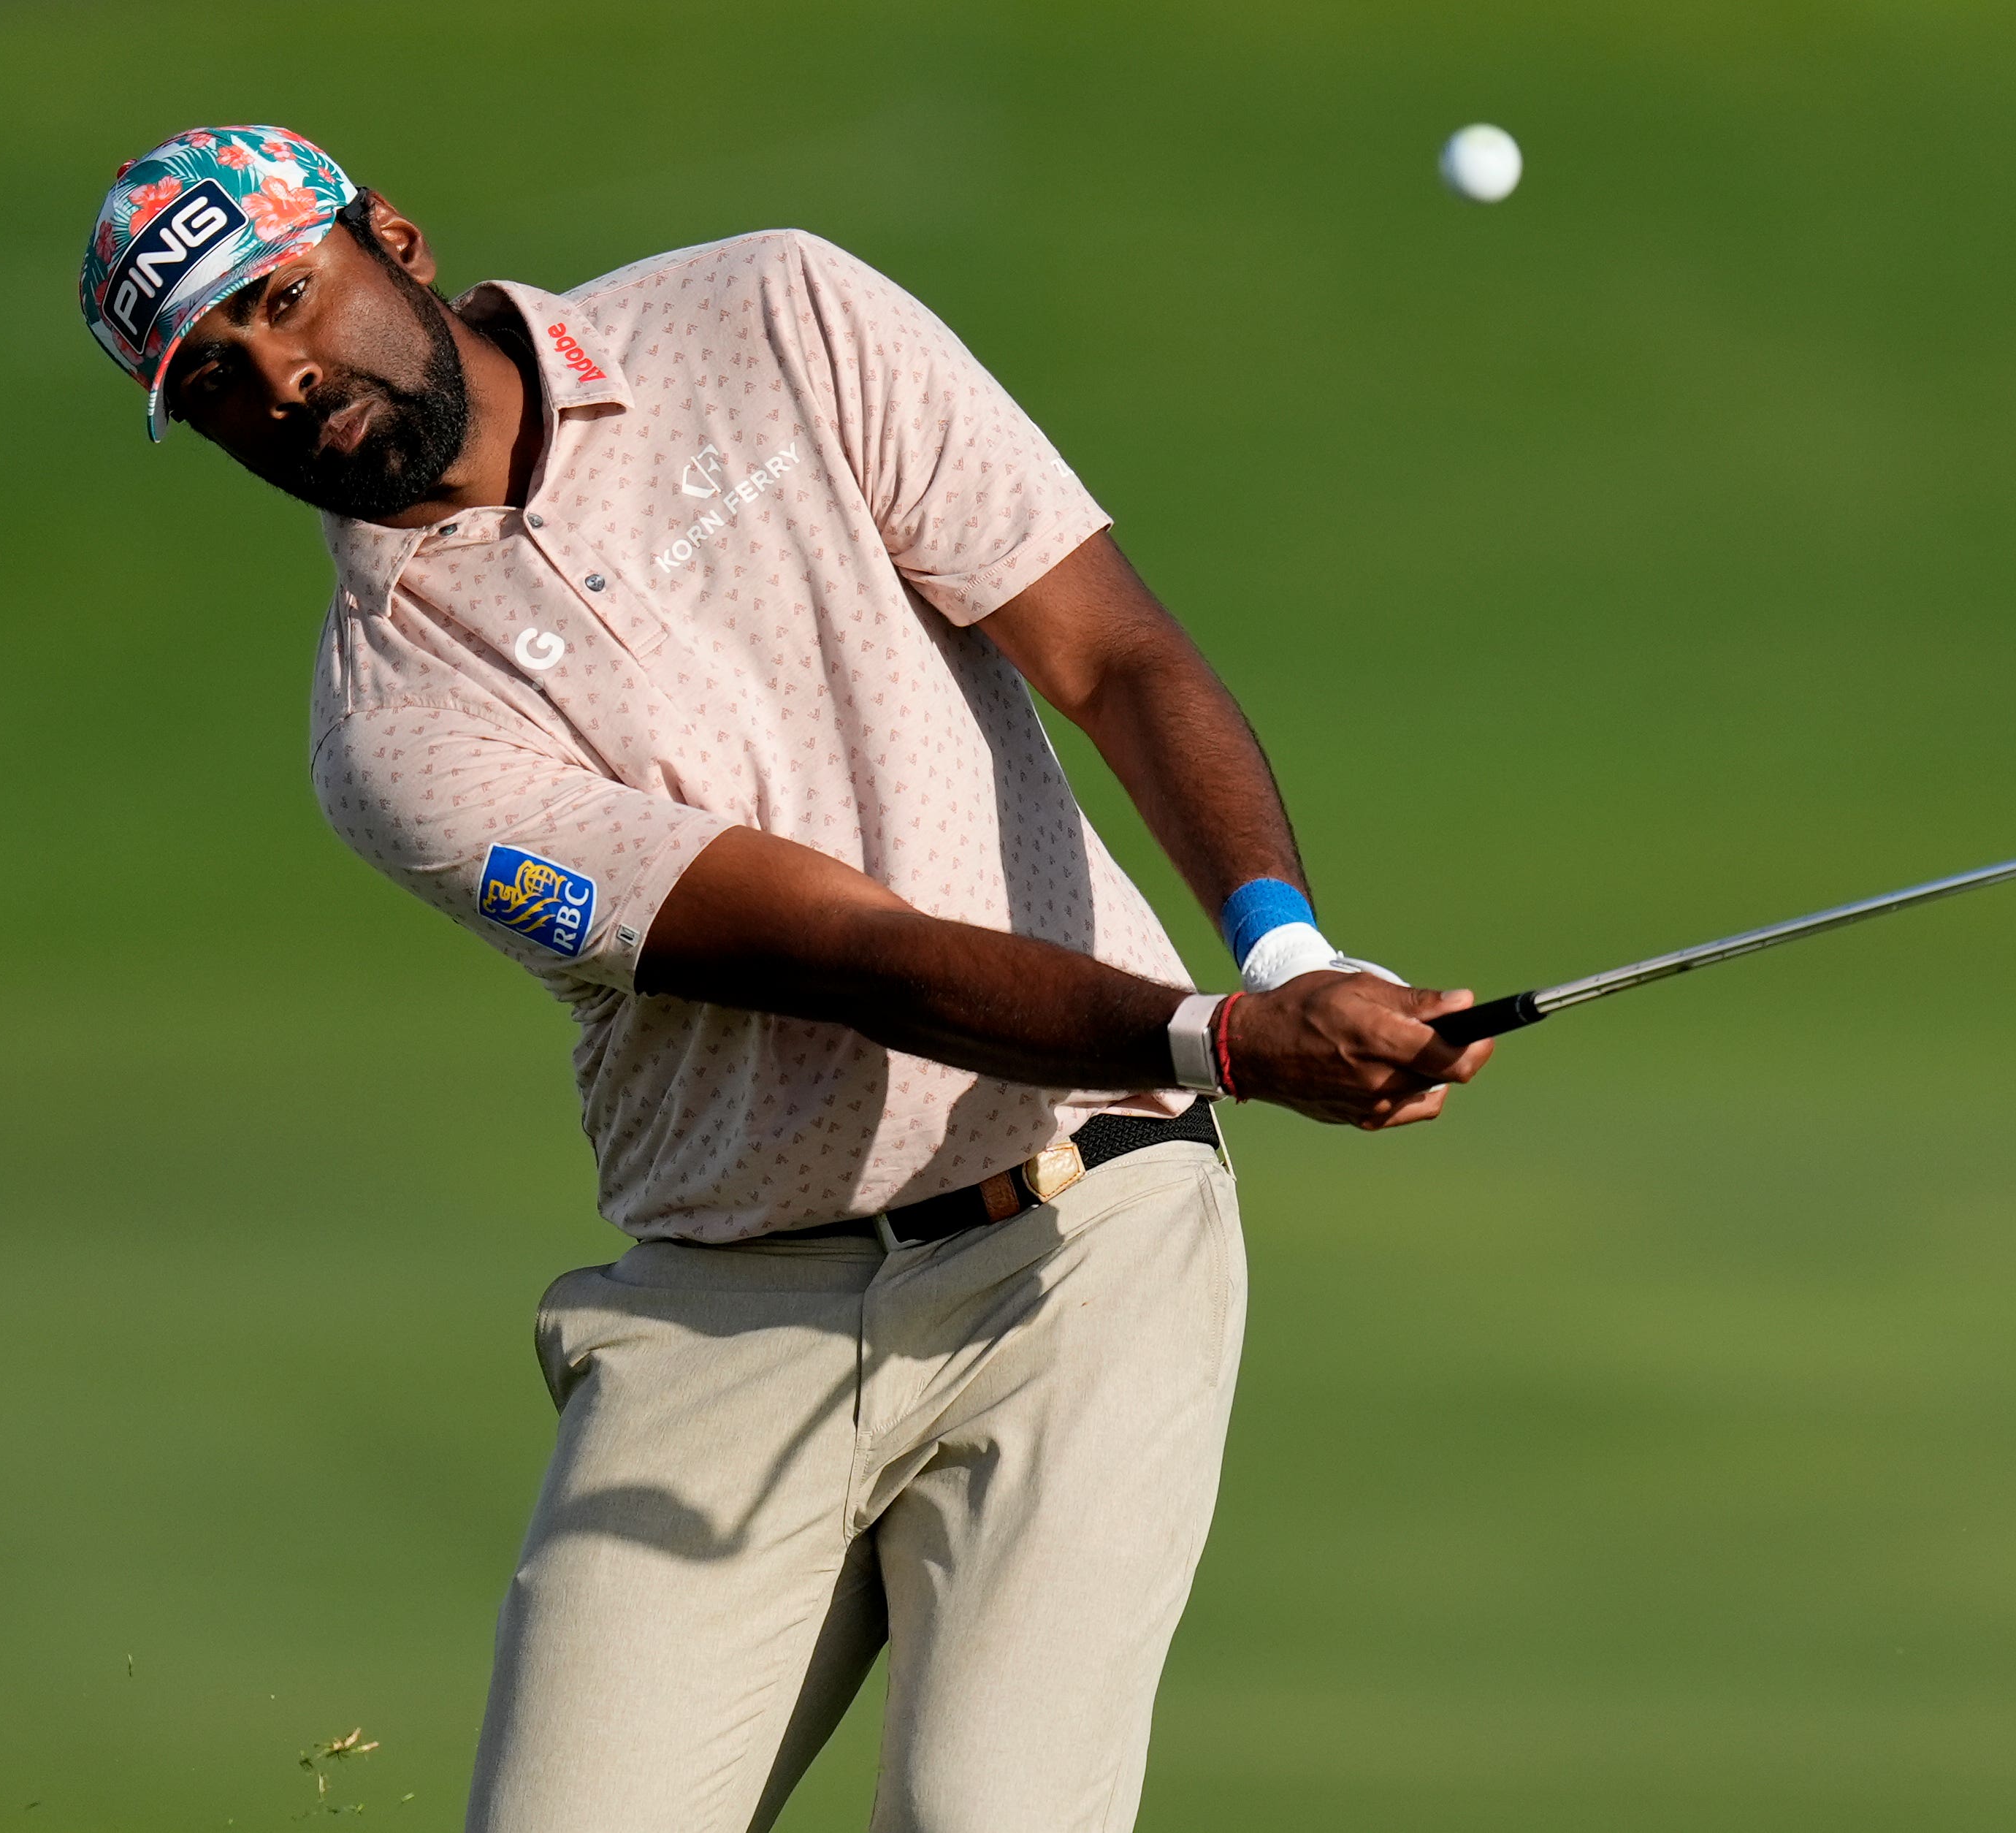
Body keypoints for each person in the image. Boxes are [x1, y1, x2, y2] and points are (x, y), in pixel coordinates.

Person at [77, 124, 1493, 1832]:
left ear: (395, 238)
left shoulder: (772, 314)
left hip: (1085, 1233)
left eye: (289, 299)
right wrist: (1221, 1035)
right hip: (734, 1302)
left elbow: (1108, 650)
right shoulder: (396, 731)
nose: (285, 380)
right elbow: (846, 951)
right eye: (218, 379)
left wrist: (1288, 951)